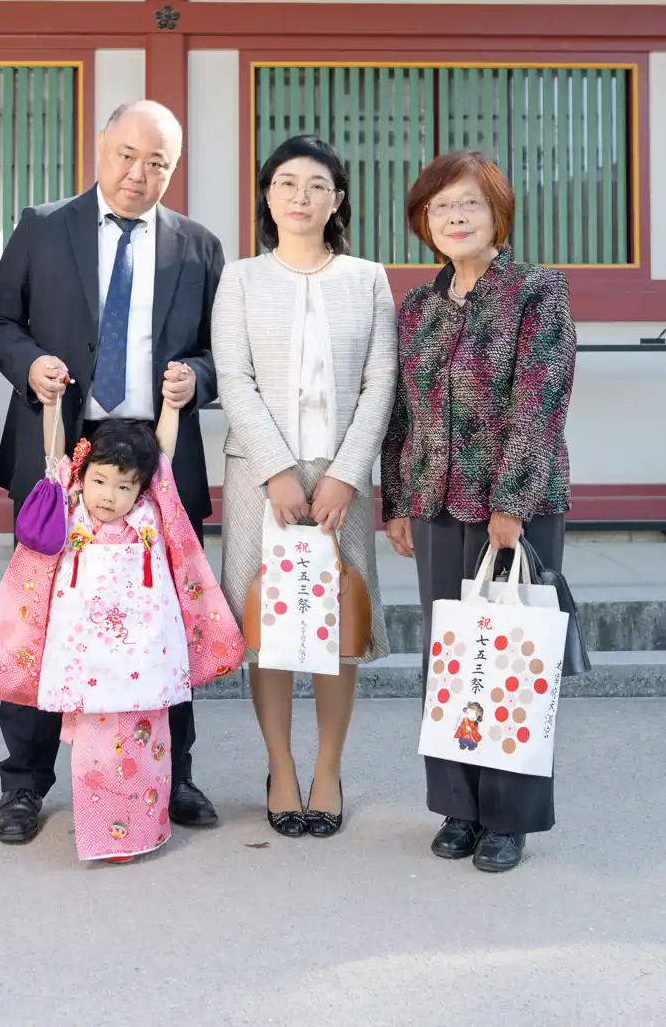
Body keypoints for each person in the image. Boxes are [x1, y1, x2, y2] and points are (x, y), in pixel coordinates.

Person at [0, 98, 227, 844]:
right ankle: (25, 781)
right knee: (44, 616)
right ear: (100, 146)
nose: (137, 174)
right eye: (126, 155)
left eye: (157, 163)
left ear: (173, 169)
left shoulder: (198, 246)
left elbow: (222, 352)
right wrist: (31, 365)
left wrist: (196, 377)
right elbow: (1, 323)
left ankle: (172, 773)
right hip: (63, 446)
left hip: (156, 450)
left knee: (161, 620)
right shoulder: (42, 226)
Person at [382, 150, 584, 876]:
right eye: (441, 207)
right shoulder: (418, 306)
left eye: (469, 203)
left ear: (498, 212)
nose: (455, 217)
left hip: (513, 508)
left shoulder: (536, 291)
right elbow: (401, 409)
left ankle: (507, 817)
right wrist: (396, 499)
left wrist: (511, 503)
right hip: (435, 503)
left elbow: (541, 400)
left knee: (510, 656)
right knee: (451, 657)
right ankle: (458, 807)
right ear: (423, 221)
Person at [0, 383, 244, 862]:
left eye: (123, 486)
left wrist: (171, 406)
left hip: (141, 655)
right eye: (99, 481)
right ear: (81, 473)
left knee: (144, 745)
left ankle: (141, 831)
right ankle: (106, 834)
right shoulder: (69, 505)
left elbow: (163, 456)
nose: (109, 496)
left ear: (141, 487)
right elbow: (54, 453)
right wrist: (52, 404)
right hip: (88, 659)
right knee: (96, 754)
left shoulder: (150, 512)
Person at [210, 134, 395, 840]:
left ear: (337, 200)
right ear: (267, 195)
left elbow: (381, 381)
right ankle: (281, 768)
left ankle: (327, 769)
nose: (301, 197)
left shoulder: (368, 279)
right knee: (272, 625)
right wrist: (276, 470)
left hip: (342, 476)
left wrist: (346, 473)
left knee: (337, 624)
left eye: (317, 185)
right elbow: (235, 378)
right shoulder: (240, 279)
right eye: (286, 183)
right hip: (262, 476)